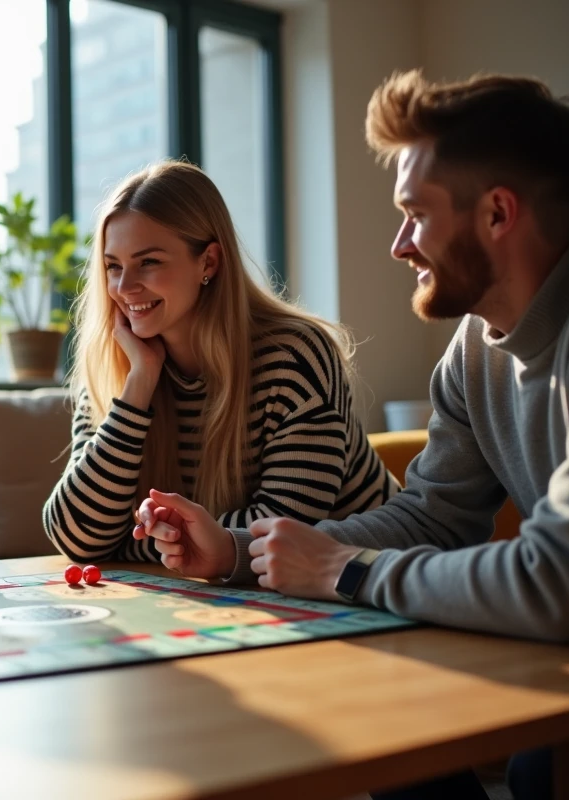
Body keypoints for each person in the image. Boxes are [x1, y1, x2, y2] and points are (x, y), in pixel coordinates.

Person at [135, 70, 569, 800]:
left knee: (548, 769)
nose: (398, 245)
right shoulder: (475, 353)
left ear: (498, 215)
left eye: (414, 213)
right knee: (397, 743)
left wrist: (343, 570)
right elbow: (433, 519)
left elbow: (567, 581)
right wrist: (237, 550)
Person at [43, 160, 398, 565]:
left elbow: (282, 531)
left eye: (149, 262)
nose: (124, 287)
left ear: (208, 262)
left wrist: (135, 542)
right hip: (250, 597)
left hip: (376, 580)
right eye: (113, 266)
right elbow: (78, 538)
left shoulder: (294, 357)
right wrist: (140, 382)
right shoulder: (119, 368)